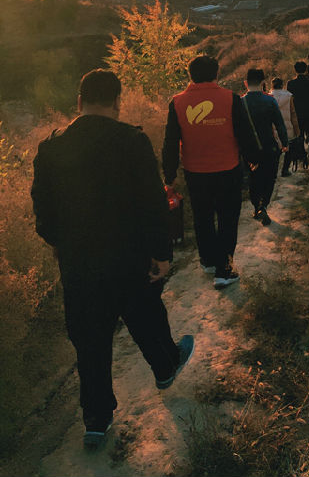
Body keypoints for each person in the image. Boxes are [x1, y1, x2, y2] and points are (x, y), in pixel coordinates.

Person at [31, 69, 194, 449]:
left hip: (78, 262)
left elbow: (42, 209)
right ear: (118, 102)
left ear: (79, 101)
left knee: (89, 340)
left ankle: (96, 420)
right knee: (144, 314)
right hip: (127, 255)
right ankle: (166, 366)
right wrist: (162, 254)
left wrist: (59, 242)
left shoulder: (50, 146)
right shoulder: (131, 141)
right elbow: (153, 204)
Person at [162, 55, 254, 289]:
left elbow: (170, 142)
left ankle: (208, 259)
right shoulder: (230, 98)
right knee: (227, 218)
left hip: (196, 173)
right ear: (216, 74)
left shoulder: (177, 102)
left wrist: (169, 174)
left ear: (190, 75)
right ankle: (224, 268)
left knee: (202, 217)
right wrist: (253, 159)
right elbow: (245, 133)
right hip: (228, 170)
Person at [242, 69, 288, 225]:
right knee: (270, 178)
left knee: (254, 179)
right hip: (269, 147)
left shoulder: (241, 103)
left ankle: (256, 207)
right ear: (263, 83)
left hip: (249, 150)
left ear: (245, 83)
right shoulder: (270, 101)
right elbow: (280, 124)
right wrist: (285, 143)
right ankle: (264, 205)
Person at [270, 76, 299, 177]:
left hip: (274, 128)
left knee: (276, 150)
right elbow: (293, 113)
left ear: (272, 86)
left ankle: (274, 171)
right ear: (282, 85)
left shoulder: (269, 97)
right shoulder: (289, 96)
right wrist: (297, 129)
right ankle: (285, 170)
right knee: (288, 149)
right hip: (288, 126)